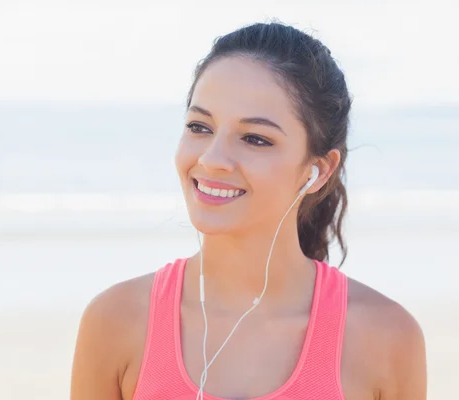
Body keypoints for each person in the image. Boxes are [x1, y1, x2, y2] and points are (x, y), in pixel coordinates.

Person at [70, 22, 427, 400]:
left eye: (255, 138)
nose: (212, 159)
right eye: (199, 126)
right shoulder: (116, 320)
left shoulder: (385, 336)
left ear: (317, 170)